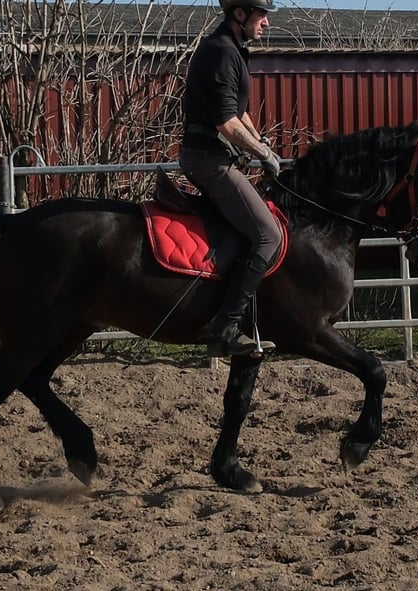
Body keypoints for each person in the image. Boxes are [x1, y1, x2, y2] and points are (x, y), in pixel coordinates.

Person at [179, 0, 283, 357]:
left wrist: (259, 142)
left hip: (215, 157)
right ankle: (225, 328)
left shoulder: (232, 49)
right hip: (209, 161)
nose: (266, 23)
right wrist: (262, 153)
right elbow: (225, 123)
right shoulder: (222, 52)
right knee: (268, 235)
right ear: (240, 13)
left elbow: (239, 113)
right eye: (261, 15)